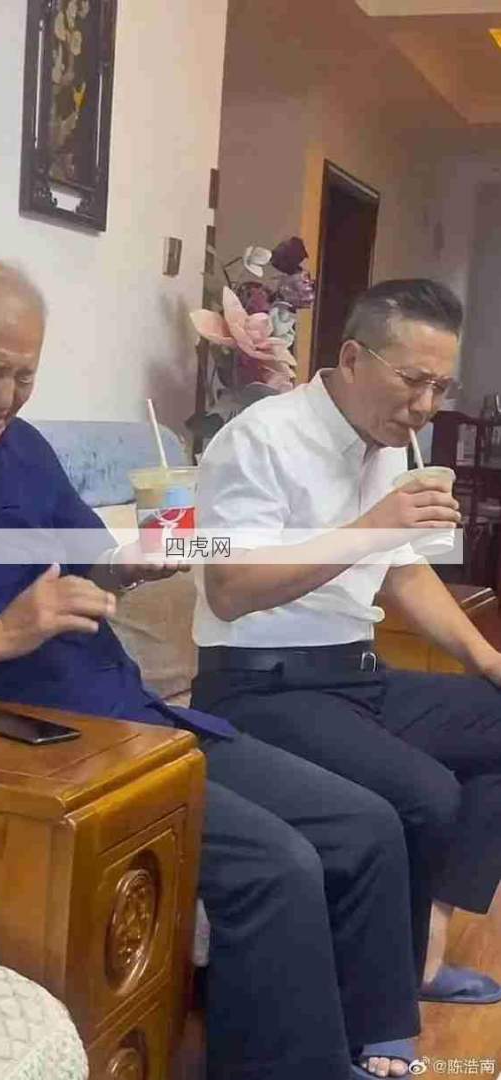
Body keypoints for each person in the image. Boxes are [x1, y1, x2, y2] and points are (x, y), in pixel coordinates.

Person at [0, 254, 425, 1079]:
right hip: (8, 733)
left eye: (27, 376)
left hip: (122, 707)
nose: (9, 397)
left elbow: (87, 558)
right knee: (276, 866)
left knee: (363, 824)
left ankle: (374, 1045)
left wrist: (131, 564)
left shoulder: (22, 446)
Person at [192, 277, 501, 1008]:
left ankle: (422, 946)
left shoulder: (386, 443)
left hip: (355, 675)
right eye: (413, 381)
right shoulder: (263, 438)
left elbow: (401, 569)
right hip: (261, 684)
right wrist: (373, 527)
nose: (425, 405)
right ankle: (376, 1009)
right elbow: (228, 589)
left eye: (440, 386)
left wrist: (488, 659)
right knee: (425, 793)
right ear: (354, 358)